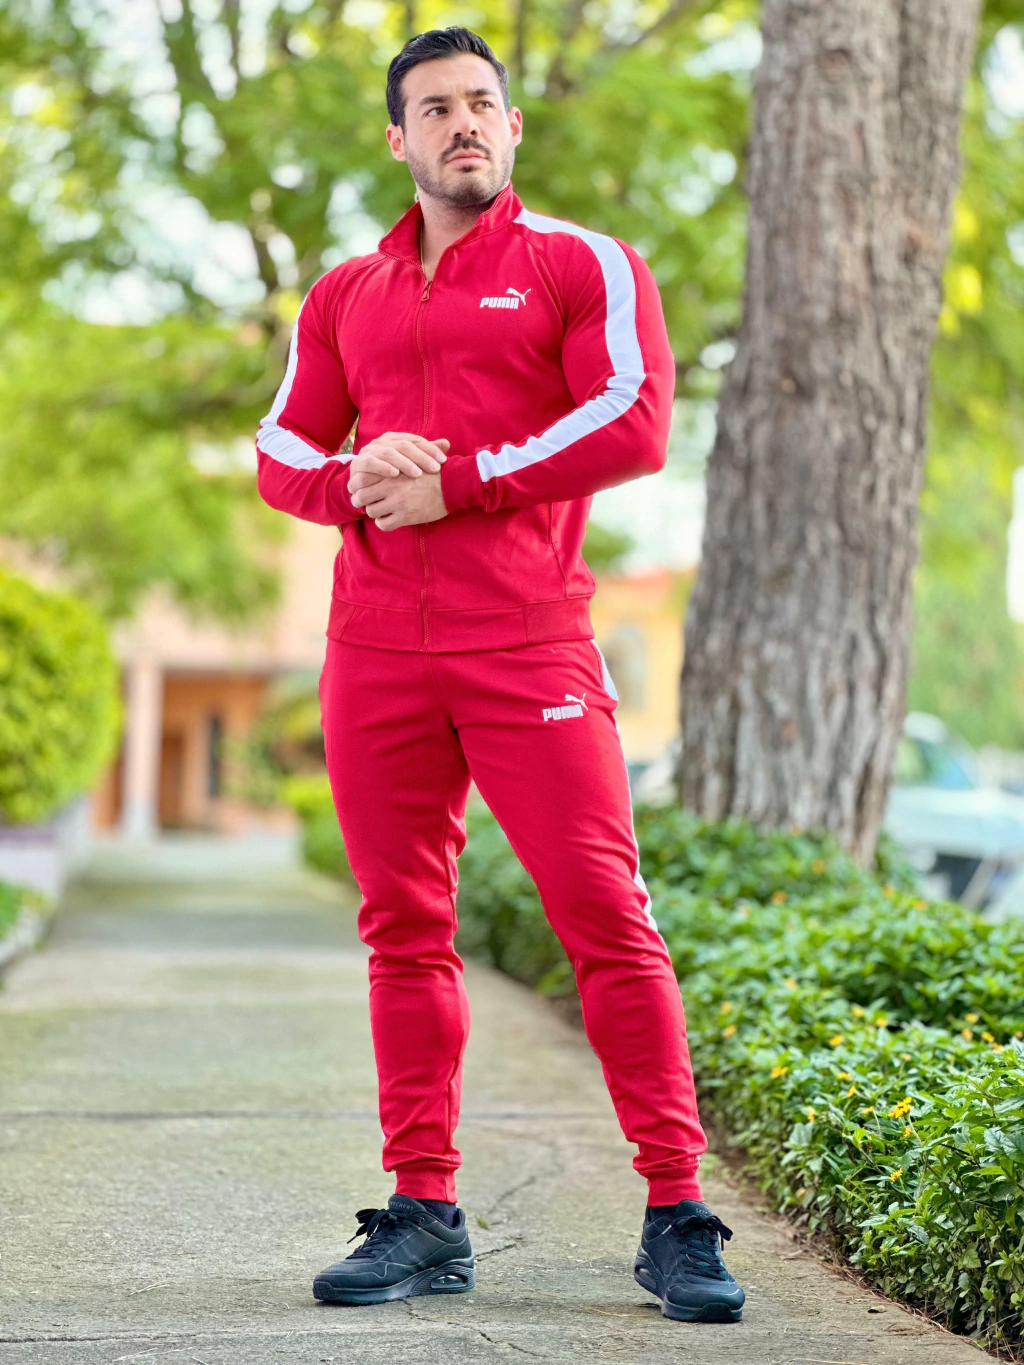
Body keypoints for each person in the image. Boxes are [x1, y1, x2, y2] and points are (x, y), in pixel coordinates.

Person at [255, 25, 745, 1324]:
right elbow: (280, 447)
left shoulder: (580, 264)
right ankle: (423, 1213)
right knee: (403, 929)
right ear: (398, 138)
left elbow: (634, 419)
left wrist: (459, 484)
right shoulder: (344, 296)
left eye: (481, 102)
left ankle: (678, 1213)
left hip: (529, 644)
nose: (462, 122)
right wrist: (355, 482)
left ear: (513, 126)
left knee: (605, 916)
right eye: (435, 107)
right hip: (374, 652)